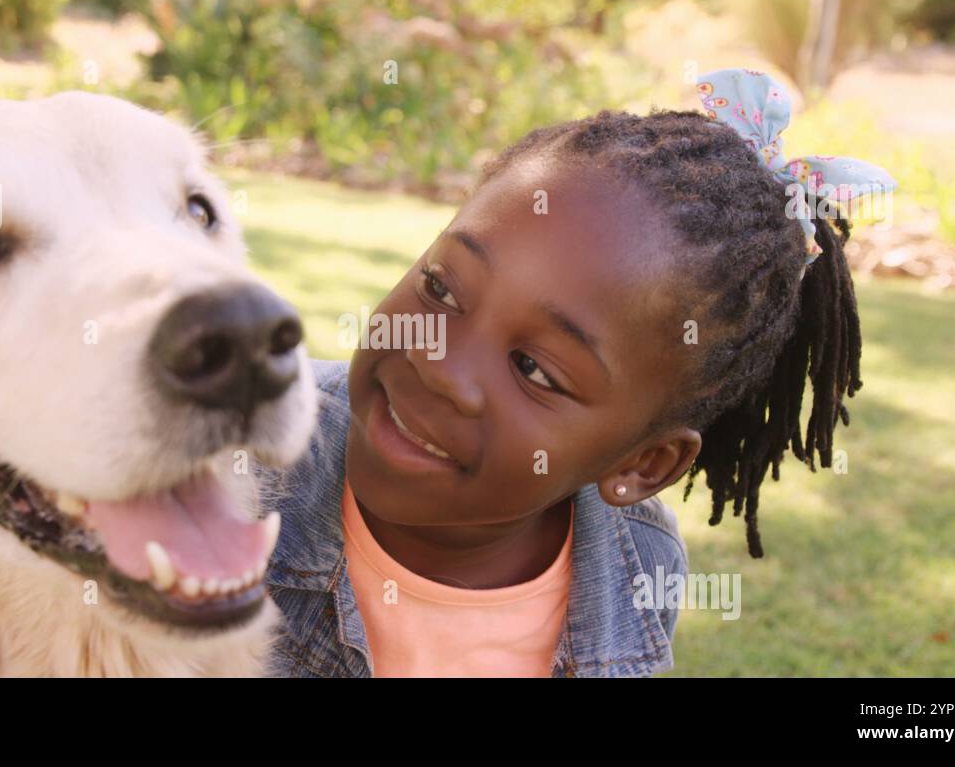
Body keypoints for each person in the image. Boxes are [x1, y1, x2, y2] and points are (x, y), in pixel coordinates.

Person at [256, 68, 897, 678]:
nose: (441, 367)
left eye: (533, 368)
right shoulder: (239, 451)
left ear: (642, 465)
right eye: (442, 290)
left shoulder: (637, 571)